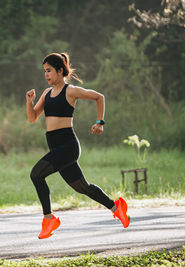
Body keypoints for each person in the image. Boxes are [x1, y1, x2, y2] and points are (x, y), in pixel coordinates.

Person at [25, 52, 130, 239]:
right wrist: (29, 102)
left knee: (36, 174)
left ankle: (49, 219)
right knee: (83, 187)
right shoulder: (47, 93)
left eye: (49, 71)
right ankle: (117, 207)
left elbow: (99, 97)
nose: (46, 75)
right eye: (44, 72)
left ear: (59, 71)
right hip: (56, 147)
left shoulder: (70, 91)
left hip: (68, 146)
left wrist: (100, 122)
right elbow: (32, 118)